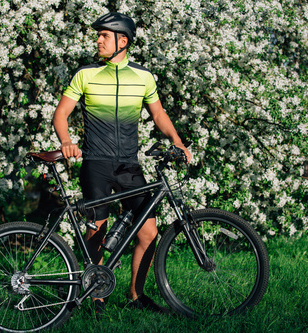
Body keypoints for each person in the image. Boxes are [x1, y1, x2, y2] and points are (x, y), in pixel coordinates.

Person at [53, 12, 192, 317]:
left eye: (104, 35)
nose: (98, 40)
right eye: (98, 35)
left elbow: (158, 115)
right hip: (96, 163)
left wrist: (177, 140)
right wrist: (66, 140)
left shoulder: (143, 77)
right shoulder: (85, 74)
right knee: (97, 232)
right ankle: (95, 297)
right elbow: (61, 114)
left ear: (123, 41)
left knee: (147, 232)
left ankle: (135, 295)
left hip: (129, 165)